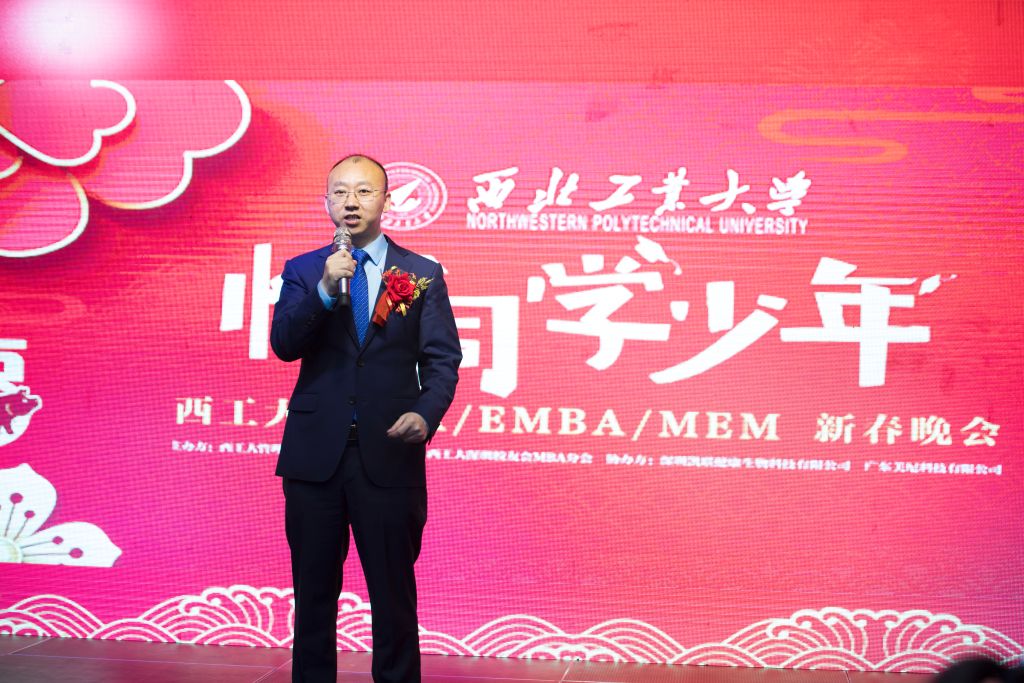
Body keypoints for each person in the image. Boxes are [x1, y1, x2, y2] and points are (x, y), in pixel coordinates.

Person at [271, 154, 461, 682]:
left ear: (386, 200)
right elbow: (284, 344)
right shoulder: (304, 270)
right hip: (314, 458)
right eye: (339, 192)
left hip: (388, 455)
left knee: (393, 594)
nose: (350, 202)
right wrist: (325, 290)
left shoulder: (419, 274)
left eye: (363, 191)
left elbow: (443, 360)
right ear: (326, 202)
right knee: (313, 594)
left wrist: (425, 414)